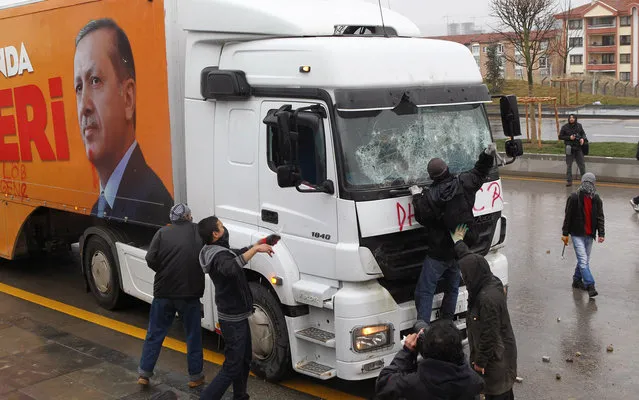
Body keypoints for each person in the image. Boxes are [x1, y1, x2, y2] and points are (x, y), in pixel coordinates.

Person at [74, 18, 173, 225]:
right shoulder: (102, 206)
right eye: (79, 87)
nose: (84, 106)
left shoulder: (151, 203)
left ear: (128, 98)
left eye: (95, 81)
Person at [409, 143, 496, 332]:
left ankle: (422, 325)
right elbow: (480, 172)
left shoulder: (431, 196)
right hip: (459, 247)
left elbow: (422, 216)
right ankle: (448, 321)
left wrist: (416, 196)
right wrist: (487, 154)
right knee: (452, 287)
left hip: (437, 253)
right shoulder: (463, 182)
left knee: (426, 289)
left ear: (432, 177)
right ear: (447, 169)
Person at [197, 217, 276, 400]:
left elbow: (236, 255)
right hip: (233, 320)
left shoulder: (217, 250)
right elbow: (232, 267)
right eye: (221, 227)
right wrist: (256, 249)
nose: (224, 228)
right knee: (233, 364)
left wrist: (258, 244)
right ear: (215, 234)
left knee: (244, 358)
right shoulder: (217, 256)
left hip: (238, 316)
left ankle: (240, 396)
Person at [138, 204, 205, 388]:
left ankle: (144, 373)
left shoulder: (161, 233)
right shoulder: (198, 231)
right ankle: (195, 377)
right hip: (189, 293)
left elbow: (150, 258)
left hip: (164, 292)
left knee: (155, 332)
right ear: (188, 217)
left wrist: (164, 269)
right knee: (192, 335)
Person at [451, 225, 517, 400]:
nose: (464, 278)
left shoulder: (487, 300)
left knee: (498, 394)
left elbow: (489, 335)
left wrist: (480, 362)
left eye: (465, 275)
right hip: (500, 360)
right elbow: (470, 260)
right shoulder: (488, 280)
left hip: (496, 363)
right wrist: (458, 242)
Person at [375, 320, 485, 400]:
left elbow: (383, 384)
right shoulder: (473, 381)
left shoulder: (413, 383)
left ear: (427, 351)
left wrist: (407, 352)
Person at [562, 173, 605, 298]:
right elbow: (568, 216)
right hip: (577, 234)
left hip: (589, 234)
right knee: (583, 260)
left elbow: (600, 217)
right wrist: (565, 233)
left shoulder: (596, 199)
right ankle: (590, 285)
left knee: (584, 260)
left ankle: (576, 280)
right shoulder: (574, 197)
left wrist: (601, 233)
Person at [559, 114, 587, 187]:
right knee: (569, 165)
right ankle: (569, 181)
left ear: (575, 119)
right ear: (568, 119)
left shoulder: (579, 126)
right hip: (569, 148)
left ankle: (584, 181)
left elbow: (583, 134)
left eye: (573, 117)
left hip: (578, 148)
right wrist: (569, 137)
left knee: (582, 165)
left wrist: (582, 139)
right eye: (570, 118)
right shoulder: (565, 127)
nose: (571, 119)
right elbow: (560, 136)